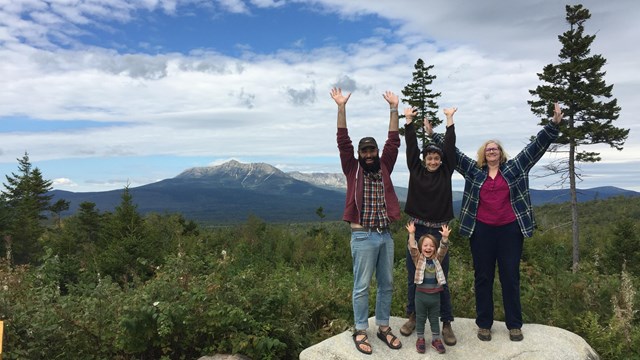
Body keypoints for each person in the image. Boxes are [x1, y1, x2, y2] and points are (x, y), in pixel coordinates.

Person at [431, 102, 563, 342]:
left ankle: (514, 324)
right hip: (481, 231)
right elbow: (455, 153)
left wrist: (553, 125)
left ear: (501, 153)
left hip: (510, 231)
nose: (492, 152)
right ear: (483, 154)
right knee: (483, 277)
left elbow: (536, 147)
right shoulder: (474, 171)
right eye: (488, 149)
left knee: (510, 276)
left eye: (495, 149)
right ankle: (484, 324)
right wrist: (434, 134)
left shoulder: (515, 169)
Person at [331, 87, 402, 355]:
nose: (370, 154)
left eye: (372, 150)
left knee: (387, 284)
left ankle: (383, 326)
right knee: (361, 286)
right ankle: (361, 330)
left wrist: (394, 109)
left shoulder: (385, 166)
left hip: (385, 234)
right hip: (362, 235)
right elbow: (343, 141)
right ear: (360, 154)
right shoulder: (352, 168)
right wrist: (341, 107)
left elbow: (393, 141)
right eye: (365, 151)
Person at [400, 107, 458, 347]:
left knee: (440, 277)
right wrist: (409, 122)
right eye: (429, 158)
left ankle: (446, 323)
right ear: (424, 161)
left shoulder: (446, 172)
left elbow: (451, 149)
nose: (433, 161)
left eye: (436, 158)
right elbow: (411, 149)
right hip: (417, 229)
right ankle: (413, 316)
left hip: (438, 231)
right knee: (414, 276)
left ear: (441, 160)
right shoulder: (416, 170)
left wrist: (449, 121)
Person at [406, 221, 451, 354]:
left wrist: (445, 238)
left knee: (434, 318)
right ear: (421, 247)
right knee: (420, 318)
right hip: (420, 296)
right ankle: (420, 338)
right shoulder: (418, 259)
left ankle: (436, 339)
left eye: (431, 245)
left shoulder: (437, 259)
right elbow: (412, 247)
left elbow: (443, 249)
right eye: (425, 245)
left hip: (435, 296)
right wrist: (412, 233)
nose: (428, 248)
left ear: (434, 248)